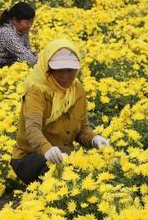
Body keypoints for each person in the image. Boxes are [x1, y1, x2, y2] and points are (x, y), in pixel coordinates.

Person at [10, 38, 110, 185]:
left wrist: (94, 139)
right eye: (59, 70)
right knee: (61, 172)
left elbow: (82, 129)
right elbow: (32, 130)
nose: (65, 76)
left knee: (92, 168)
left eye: (70, 70)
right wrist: (47, 149)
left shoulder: (77, 91)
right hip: (31, 158)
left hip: (64, 155)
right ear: (48, 69)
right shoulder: (36, 91)